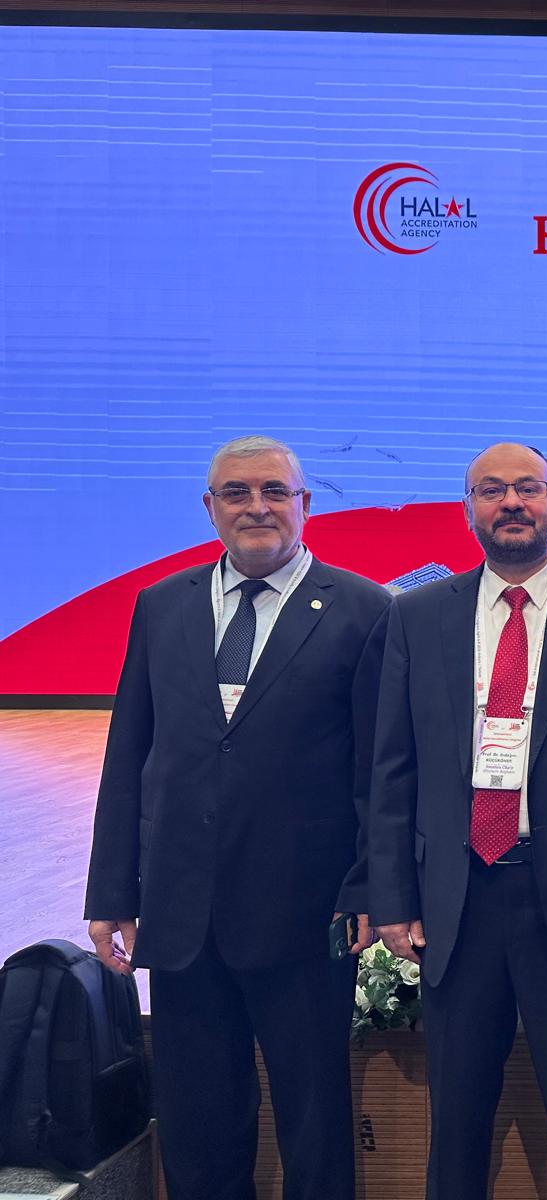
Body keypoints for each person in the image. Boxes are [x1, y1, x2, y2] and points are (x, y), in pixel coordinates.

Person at [84, 435, 391, 1200]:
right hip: (181, 912)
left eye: (274, 491)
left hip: (306, 912)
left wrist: (367, 885)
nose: (257, 507)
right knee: (197, 1123)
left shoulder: (365, 609)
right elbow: (130, 755)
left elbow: (378, 773)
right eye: (237, 493)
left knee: (313, 1122)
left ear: (304, 504)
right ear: (210, 507)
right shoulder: (162, 605)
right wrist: (111, 891)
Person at [366, 442, 547, 1200]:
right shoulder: (417, 614)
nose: (512, 503)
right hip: (456, 897)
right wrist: (392, 897)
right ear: (468, 510)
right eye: (492, 491)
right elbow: (393, 766)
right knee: (457, 1118)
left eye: (529, 488)